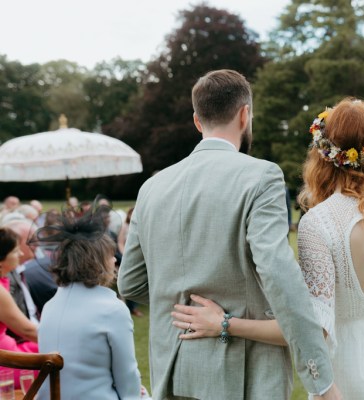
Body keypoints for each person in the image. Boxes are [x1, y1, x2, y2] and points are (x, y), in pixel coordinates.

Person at [172, 98, 364, 399]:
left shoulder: (319, 223)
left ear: (322, 153)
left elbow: (312, 330)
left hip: (352, 372)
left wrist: (225, 323)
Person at [118, 69, 340, 400]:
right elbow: (279, 274)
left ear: (197, 121)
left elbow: (130, 283)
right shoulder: (261, 176)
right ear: (244, 114)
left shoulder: (152, 187)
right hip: (244, 375)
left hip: (173, 369)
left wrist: (180, 296)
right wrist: (321, 381)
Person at [33, 207, 146, 400]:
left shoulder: (50, 305)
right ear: (97, 262)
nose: (114, 260)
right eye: (110, 255)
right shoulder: (112, 309)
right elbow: (127, 380)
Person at [0, 227, 38, 388]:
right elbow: (27, 331)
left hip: (7, 350)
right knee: (63, 361)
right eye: (16, 251)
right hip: (5, 361)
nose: (21, 254)